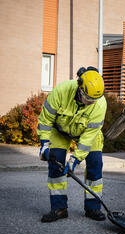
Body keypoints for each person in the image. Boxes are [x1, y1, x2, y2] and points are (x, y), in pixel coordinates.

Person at [37, 66, 107, 222]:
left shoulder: (100, 104)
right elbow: (45, 120)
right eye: (87, 99)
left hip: (87, 133)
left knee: (95, 164)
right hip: (60, 131)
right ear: (79, 88)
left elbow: (88, 138)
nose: (90, 103)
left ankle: (93, 208)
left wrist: (75, 160)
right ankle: (59, 208)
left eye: (94, 100)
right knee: (56, 164)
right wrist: (44, 144)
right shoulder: (61, 91)